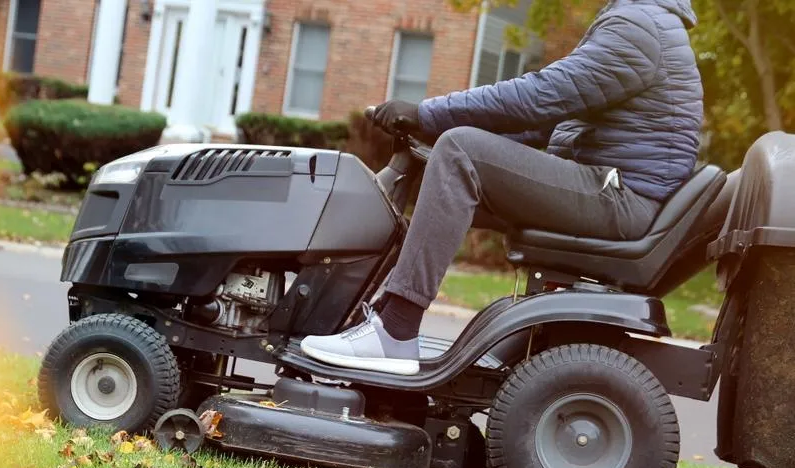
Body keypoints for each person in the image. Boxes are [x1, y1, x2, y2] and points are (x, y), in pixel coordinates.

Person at [300, 0, 703, 376]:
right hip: (613, 190)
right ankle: (377, 314)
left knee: (461, 152)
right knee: (449, 162)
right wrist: (429, 125)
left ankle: (395, 332)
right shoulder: (644, 21)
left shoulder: (639, 28)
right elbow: (544, 121)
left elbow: (540, 95)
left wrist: (428, 113)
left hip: (619, 198)